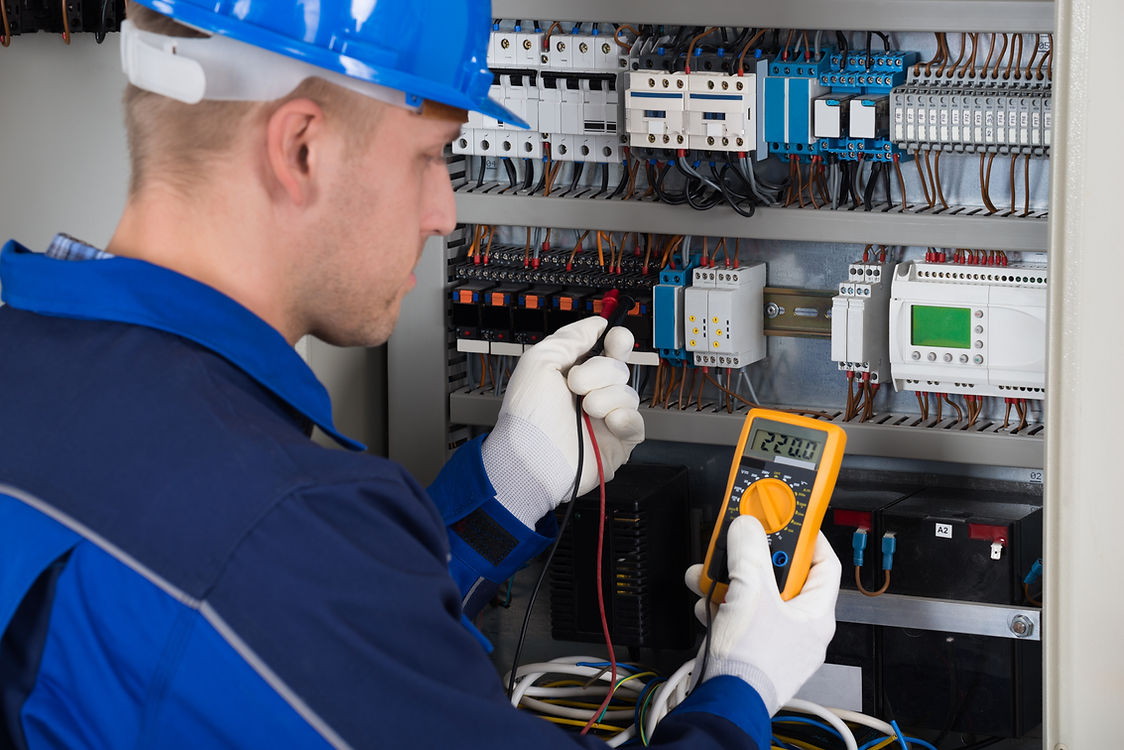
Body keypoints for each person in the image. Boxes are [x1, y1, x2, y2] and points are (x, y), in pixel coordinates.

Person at [0, 1, 842, 747]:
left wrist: (509, 485)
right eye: (431, 156)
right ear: (301, 148)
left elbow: (291, 652)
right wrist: (740, 686)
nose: (444, 214)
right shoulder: (272, 535)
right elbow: (276, 597)